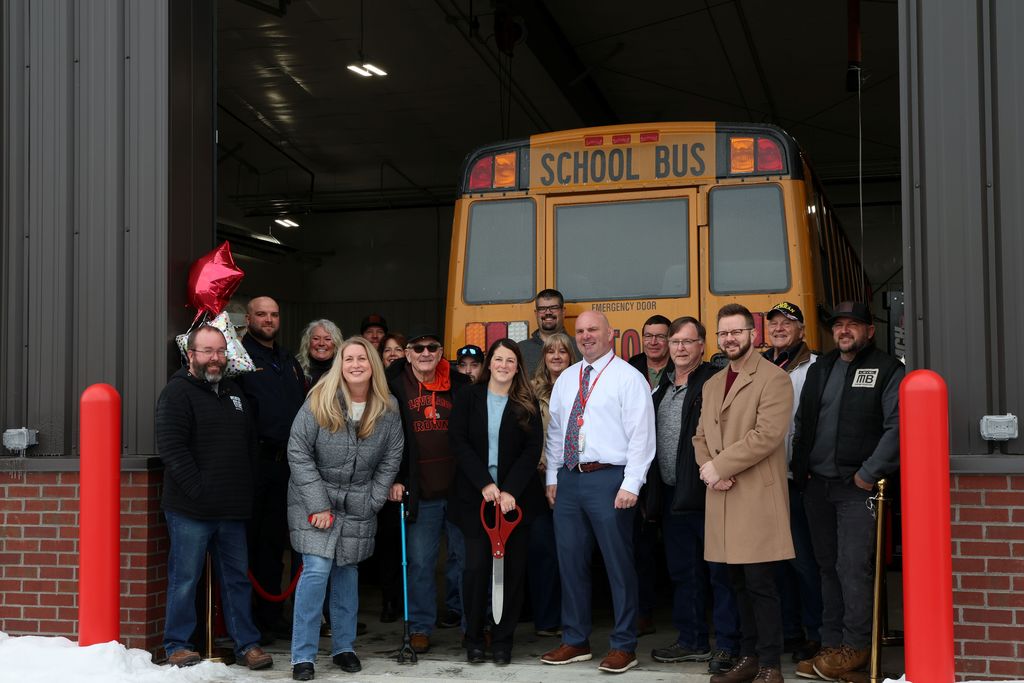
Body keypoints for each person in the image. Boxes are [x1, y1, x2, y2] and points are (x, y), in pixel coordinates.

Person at [791, 301, 904, 682]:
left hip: (857, 488)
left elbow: (897, 428)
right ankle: (832, 643)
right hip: (817, 486)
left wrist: (868, 474)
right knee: (826, 568)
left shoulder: (888, 369)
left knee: (853, 568)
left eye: (853, 324)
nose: (844, 331)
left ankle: (856, 647)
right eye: (839, 325)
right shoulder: (820, 368)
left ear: (869, 330)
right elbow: (804, 423)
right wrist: (801, 471)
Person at [541, 311, 656, 674]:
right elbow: (557, 431)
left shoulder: (628, 377)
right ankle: (575, 639)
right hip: (570, 479)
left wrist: (631, 483)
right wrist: (552, 479)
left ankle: (624, 644)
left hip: (610, 479)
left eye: (593, 330)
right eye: (580, 331)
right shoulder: (568, 378)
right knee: (570, 562)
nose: (586, 336)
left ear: (611, 335)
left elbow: (642, 435)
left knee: (618, 564)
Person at [155, 324, 273, 671]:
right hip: (191, 509)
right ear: (190, 355)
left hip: (232, 509)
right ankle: (177, 644)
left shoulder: (235, 394)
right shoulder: (176, 394)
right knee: (185, 579)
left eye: (220, 351)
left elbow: (249, 447)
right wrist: (201, 492)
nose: (215, 358)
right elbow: (173, 451)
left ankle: (247, 645)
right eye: (207, 351)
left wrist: (246, 489)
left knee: (236, 579)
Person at [286, 336, 404, 681]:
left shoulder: (388, 408)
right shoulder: (319, 400)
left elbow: (391, 458)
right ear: (341, 364)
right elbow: (298, 451)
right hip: (313, 499)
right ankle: (302, 655)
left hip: (358, 501)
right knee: (318, 570)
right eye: (349, 358)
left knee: (347, 573)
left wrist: (374, 499)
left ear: (373, 366)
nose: (355, 365)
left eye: (362, 359)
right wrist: (318, 504)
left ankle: (343, 647)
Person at [693, 303, 794, 683]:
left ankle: (770, 665)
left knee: (761, 585)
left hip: (754, 497)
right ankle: (748, 658)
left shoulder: (773, 379)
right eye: (723, 333)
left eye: (736, 332)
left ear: (752, 334)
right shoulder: (713, 383)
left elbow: (766, 435)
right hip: (721, 495)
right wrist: (710, 472)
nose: (729, 339)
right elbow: (701, 435)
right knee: (735, 584)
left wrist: (721, 467)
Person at [646, 317, 741, 675]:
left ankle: (729, 645)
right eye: (675, 342)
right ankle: (691, 641)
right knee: (683, 572)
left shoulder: (713, 383)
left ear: (703, 346)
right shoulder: (662, 387)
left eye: (688, 342)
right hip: (672, 497)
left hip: (708, 494)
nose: (680, 348)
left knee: (720, 574)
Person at [449, 339, 545, 665]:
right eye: (499, 359)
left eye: (510, 361)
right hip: (476, 499)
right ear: (489, 363)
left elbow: (532, 451)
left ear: (518, 367)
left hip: (512, 503)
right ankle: (474, 638)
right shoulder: (468, 397)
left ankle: (503, 641)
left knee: (511, 574)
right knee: (476, 570)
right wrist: (485, 484)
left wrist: (510, 490)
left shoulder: (526, 402)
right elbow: (458, 442)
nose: (504, 365)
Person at [385, 328, 471, 653]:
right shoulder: (394, 387)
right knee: (420, 562)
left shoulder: (460, 386)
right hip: (420, 490)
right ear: (407, 353)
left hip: (460, 488)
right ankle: (420, 627)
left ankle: (470, 623)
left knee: (464, 560)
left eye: (431, 347)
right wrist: (395, 477)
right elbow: (387, 438)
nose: (425, 353)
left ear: (440, 352)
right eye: (417, 347)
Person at [237, 296, 307, 641]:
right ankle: (249, 622)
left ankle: (271, 616)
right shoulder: (239, 358)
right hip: (254, 466)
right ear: (248, 317)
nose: (268, 319)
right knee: (251, 545)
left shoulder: (287, 359)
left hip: (288, 467)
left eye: (274, 314)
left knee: (275, 544)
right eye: (261, 314)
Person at [762, 301, 823, 663]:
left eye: (788, 323)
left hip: (798, 480)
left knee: (803, 561)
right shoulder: (761, 365)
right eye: (774, 323)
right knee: (773, 562)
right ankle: (787, 631)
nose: (780, 328)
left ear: (802, 330)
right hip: (764, 481)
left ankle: (815, 633)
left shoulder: (816, 367)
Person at [627, 314, 673, 635]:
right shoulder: (630, 368)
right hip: (640, 468)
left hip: (671, 468)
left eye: (660, 336)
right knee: (639, 546)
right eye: (649, 336)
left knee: (676, 544)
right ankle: (642, 611)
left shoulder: (681, 367)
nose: (654, 342)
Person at [527, 333, 575, 638]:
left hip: (573, 476)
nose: (556, 356)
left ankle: (572, 616)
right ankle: (546, 620)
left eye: (562, 351)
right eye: (550, 351)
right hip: (540, 476)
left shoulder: (583, 387)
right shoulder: (531, 391)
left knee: (570, 549)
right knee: (543, 549)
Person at [518, 288, 581, 375]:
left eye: (553, 307)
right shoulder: (521, 349)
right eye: (542, 308)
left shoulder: (579, 347)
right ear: (536, 313)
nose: (548, 312)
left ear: (563, 311)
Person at [296, 319, 343, 388]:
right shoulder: (296, 369)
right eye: (316, 338)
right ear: (308, 342)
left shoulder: (344, 370)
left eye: (327, 339)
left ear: (336, 343)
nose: (321, 343)